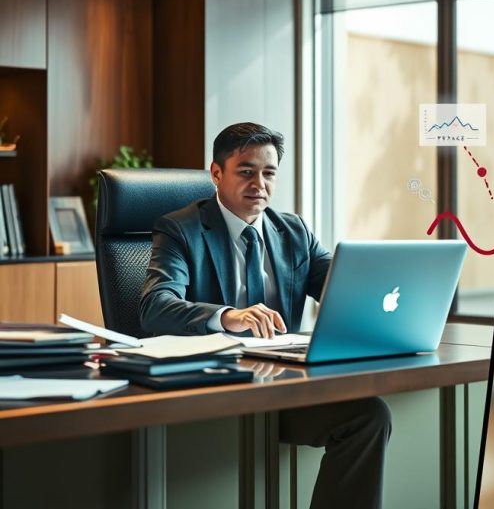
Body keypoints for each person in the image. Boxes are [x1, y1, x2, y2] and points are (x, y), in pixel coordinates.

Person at [140, 122, 391, 509]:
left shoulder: (294, 232)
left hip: (282, 388)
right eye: (246, 171)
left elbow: (343, 290)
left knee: (369, 415)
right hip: (216, 391)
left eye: (269, 173)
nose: (259, 183)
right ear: (216, 173)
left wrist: (387, 299)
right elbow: (156, 306)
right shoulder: (180, 230)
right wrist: (227, 316)